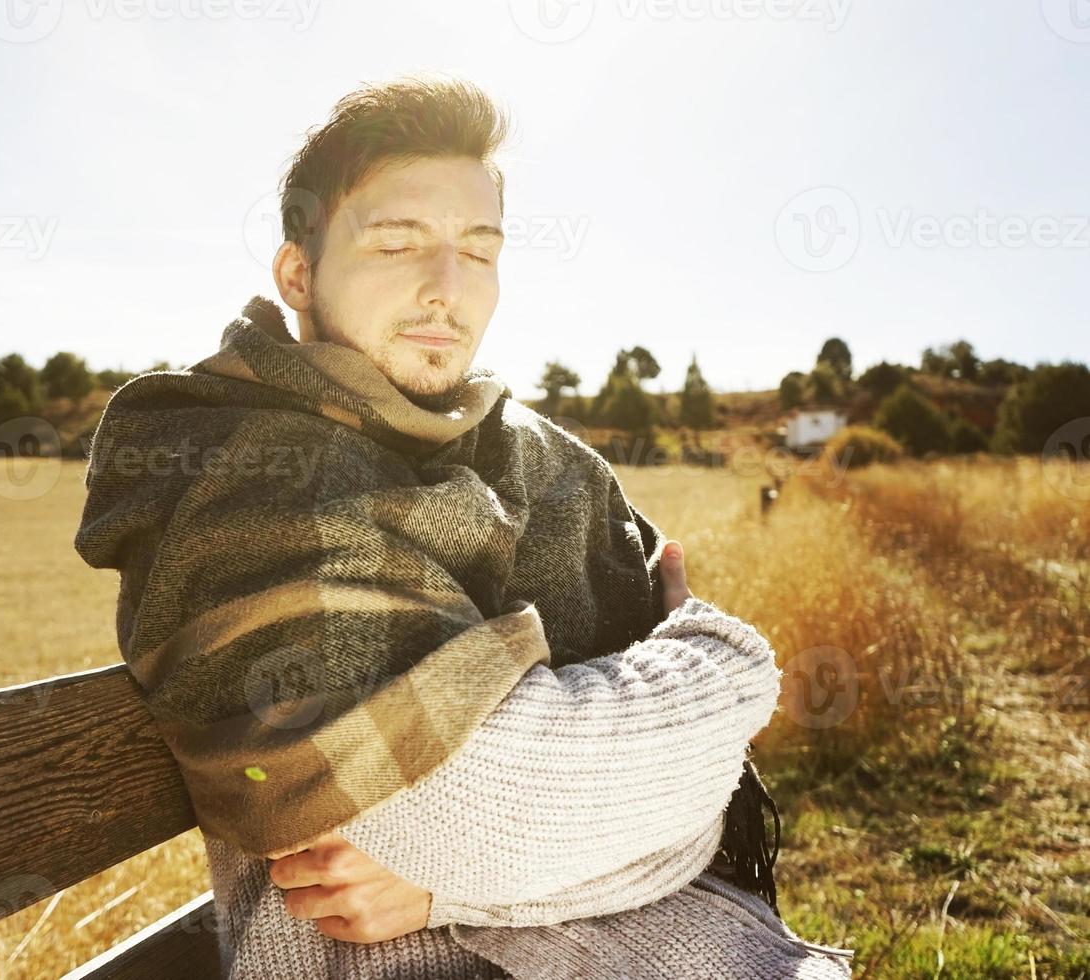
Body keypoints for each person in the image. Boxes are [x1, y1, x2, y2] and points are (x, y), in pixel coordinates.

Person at [74, 71, 854, 978]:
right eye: (399, 243)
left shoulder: (543, 463)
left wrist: (454, 891)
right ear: (298, 271)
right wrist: (718, 668)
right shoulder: (244, 471)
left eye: (479, 251)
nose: (448, 288)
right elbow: (466, 808)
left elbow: (696, 802)